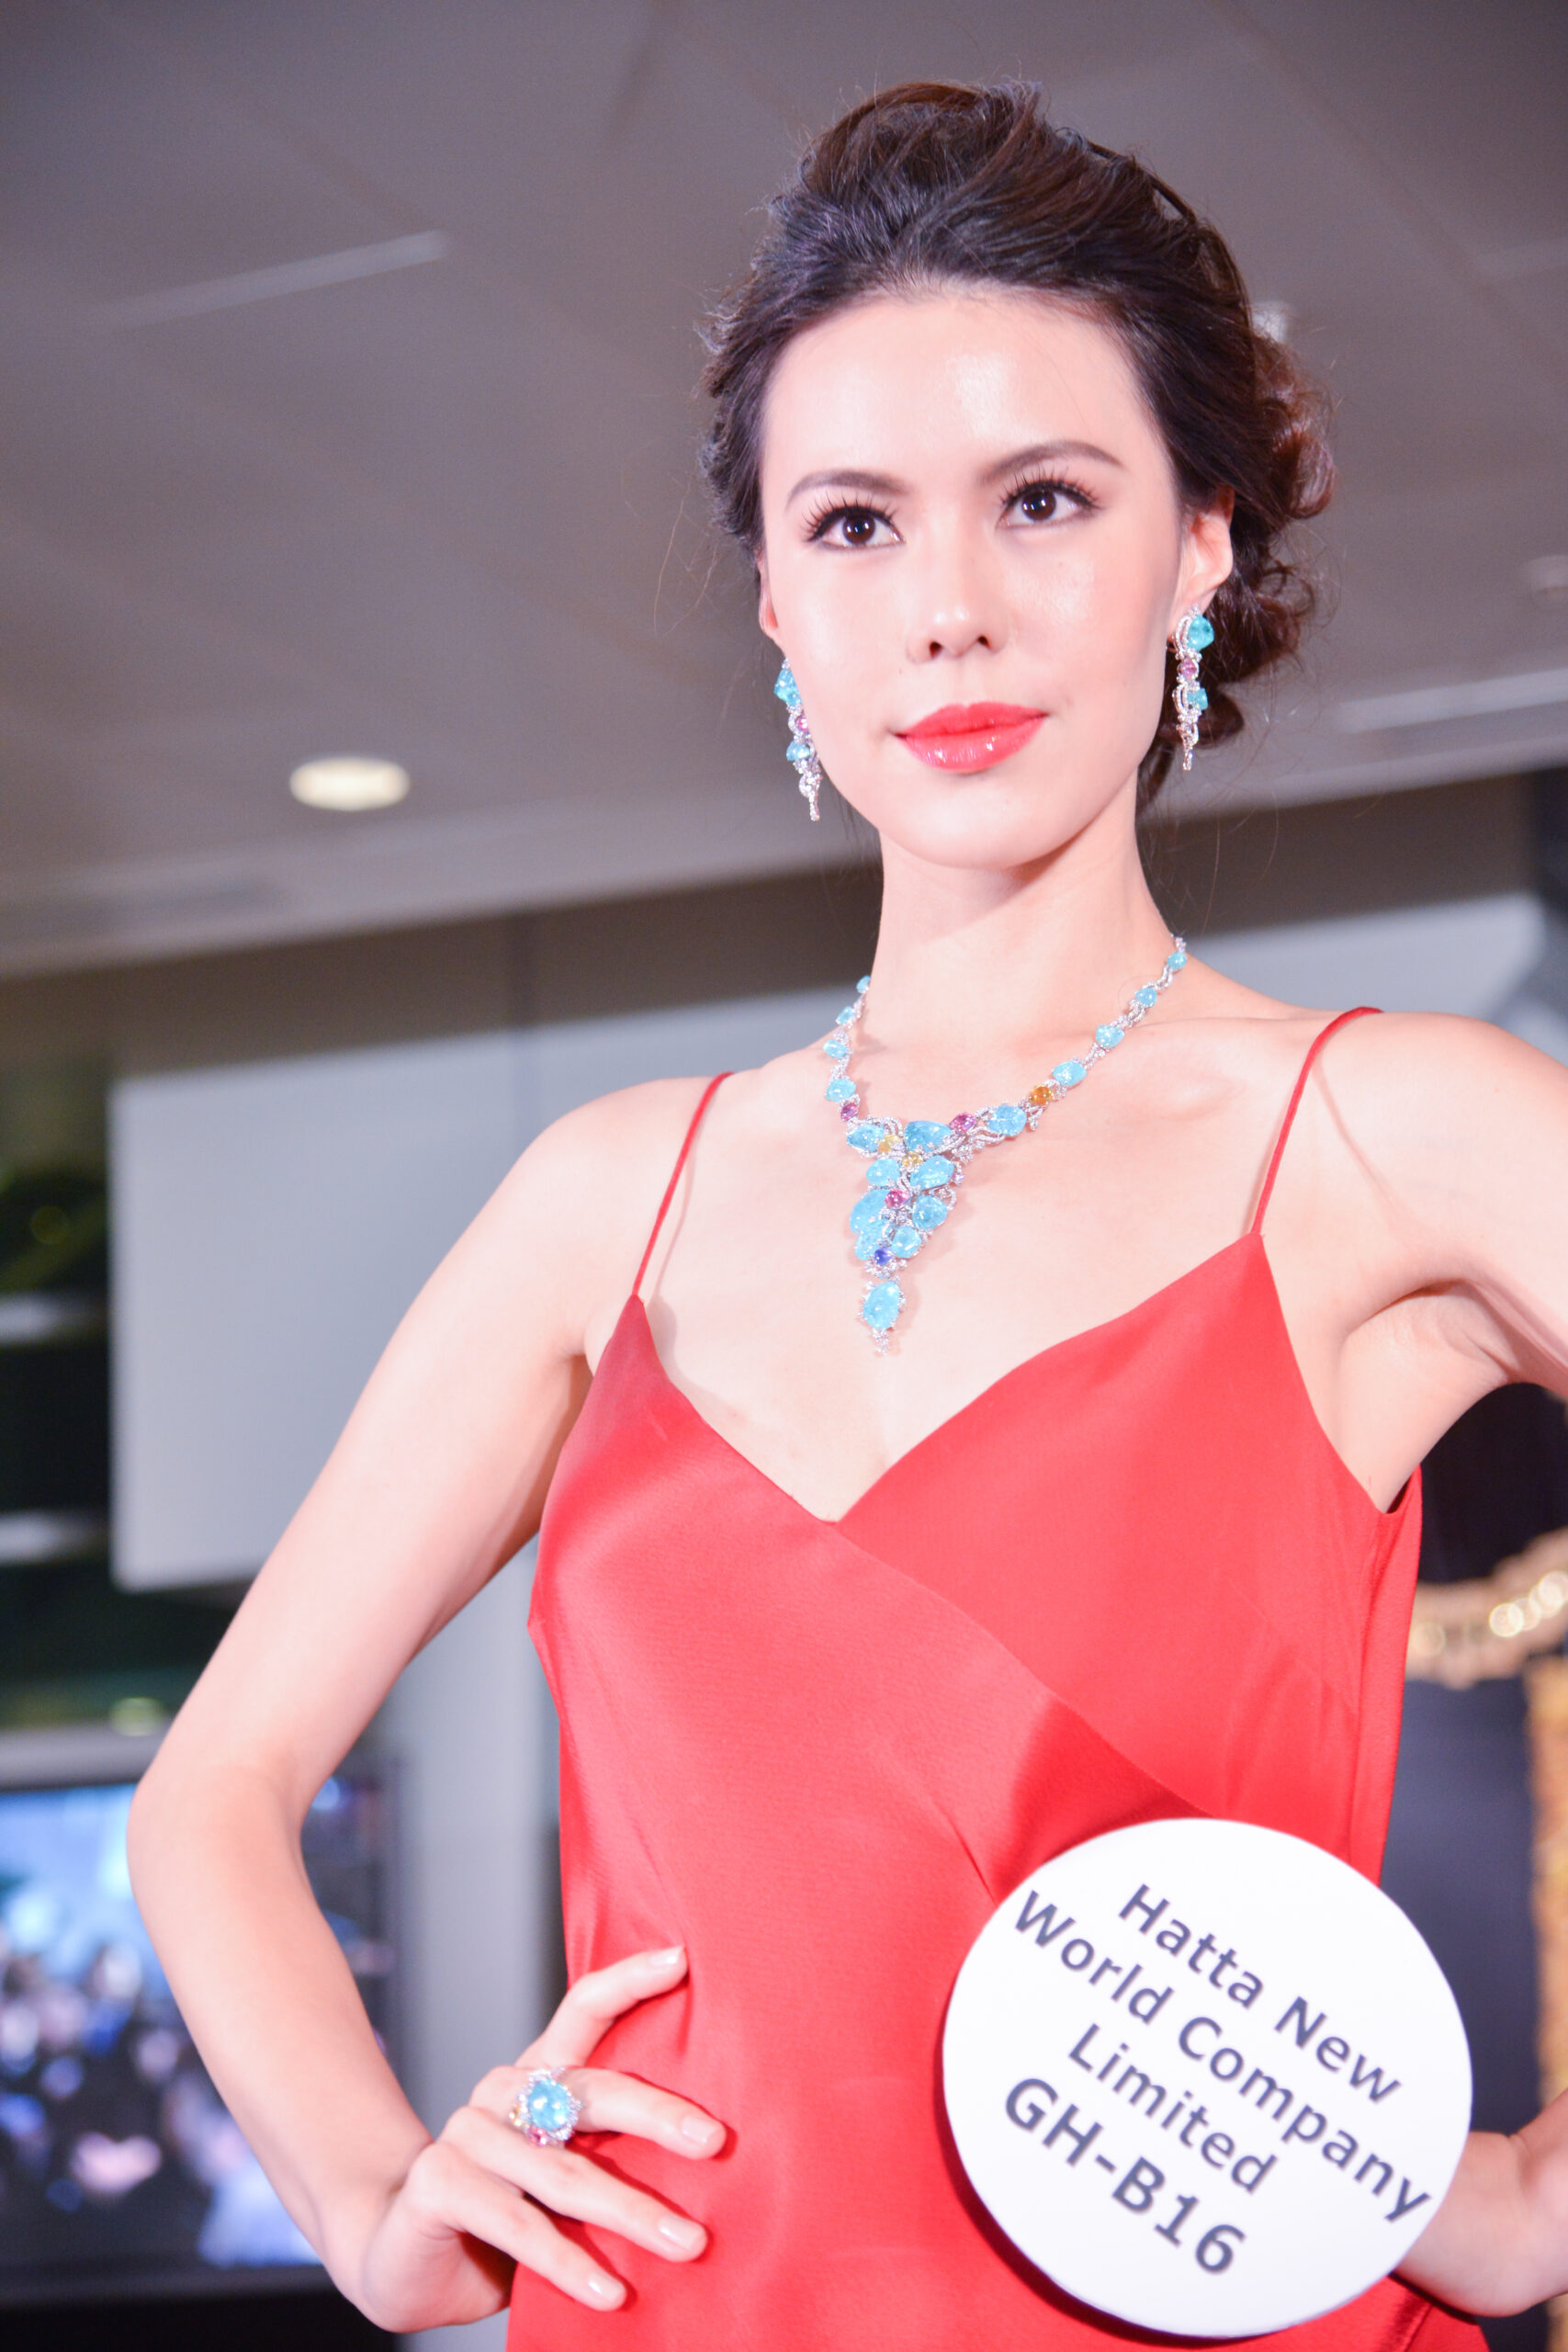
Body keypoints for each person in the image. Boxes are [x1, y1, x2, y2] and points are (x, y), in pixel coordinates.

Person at [128, 81, 1568, 2349]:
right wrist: (376, 2196)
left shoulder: (1391, 1133)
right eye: (856, 524)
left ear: (1196, 543)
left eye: (1042, 500)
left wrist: (1512, 2192)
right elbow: (211, 1784)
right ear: (779, 600)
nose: (950, 611)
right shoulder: (608, 1197)